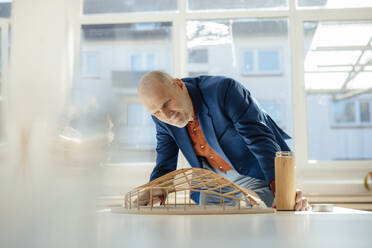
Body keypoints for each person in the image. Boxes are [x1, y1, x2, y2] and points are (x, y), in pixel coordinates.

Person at [137, 70, 309, 211]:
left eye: (167, 103)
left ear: (179, 85)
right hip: (209, 176)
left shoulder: (224, 90)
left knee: (285, 213)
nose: (166, 115)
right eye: (157, 112)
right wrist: (154, 191)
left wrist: (282, 187)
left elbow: (259, 140)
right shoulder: (161, 118)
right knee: (211, 231)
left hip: (251, 167)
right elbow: (165, 162)